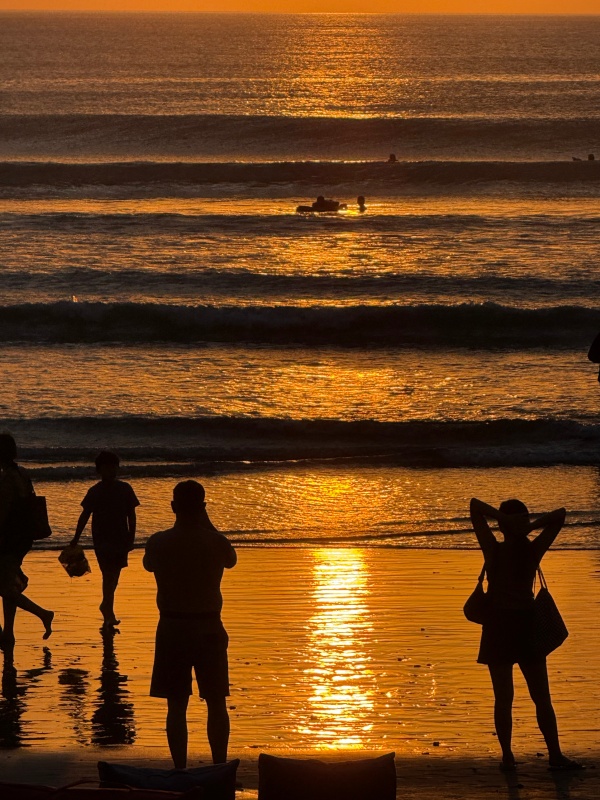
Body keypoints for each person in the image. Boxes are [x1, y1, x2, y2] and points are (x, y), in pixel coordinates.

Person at [469, 497, 583, 771]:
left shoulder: (496, 550)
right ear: (507, 524)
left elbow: (476, 508)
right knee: (536, 696)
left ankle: (512, 757)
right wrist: (526, 526)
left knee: (511, 697)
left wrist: (517, 525)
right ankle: (547, 755)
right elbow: (559, 515)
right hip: (518, 625)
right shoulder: (530, 550)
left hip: (501, 627)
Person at [143, 480, 236, 768]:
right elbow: (231, 559)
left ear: (173, 507)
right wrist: (207, 521)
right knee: (216, 702)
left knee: (176, 704)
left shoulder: (159, 542)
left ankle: (180, 768)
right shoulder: (215, 542)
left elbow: (149, 565)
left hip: (172, 626)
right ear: (203, 507)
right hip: (208, 624)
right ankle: (219, 766)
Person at [71, 451, 139, 630]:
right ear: (99, 470)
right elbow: (84, 515)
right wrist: (75, 538)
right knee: (108, 573)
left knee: (114, 574)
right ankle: (108, 609)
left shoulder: (125, 489)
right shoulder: (95, 491)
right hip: (101, 538)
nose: (111, 470)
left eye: (113, 466)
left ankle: (107, 605)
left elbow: (132, 516)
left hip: (120, 537)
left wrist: (132, 537)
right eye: (106, 467)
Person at [0, 434, 54, 661]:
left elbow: (2, 513)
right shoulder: (22, 473)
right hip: (23, 538)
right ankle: (8, 633)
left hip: (7, 538)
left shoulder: (6, 479)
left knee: (5, 588)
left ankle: (43, 613)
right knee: (7, 582)